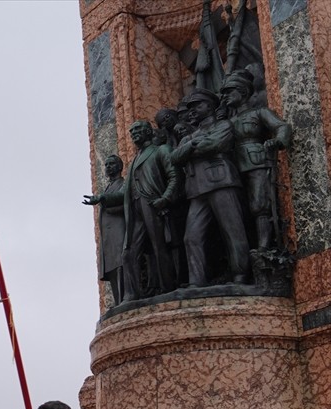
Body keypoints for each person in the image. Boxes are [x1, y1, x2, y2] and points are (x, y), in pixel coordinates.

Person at [171, 88, 252, 286]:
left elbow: (216, 144)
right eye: (190, 108)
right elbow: (175, 157)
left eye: (198, 105)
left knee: (233, 231)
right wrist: (191, 146)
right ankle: (196, 282)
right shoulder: (190, 137)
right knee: (192, 237)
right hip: (197, 190)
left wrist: (191, 147)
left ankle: (241, 275)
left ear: (210, 106)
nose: (192, 111)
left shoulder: (223, 125)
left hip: (221, 182)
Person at [221, 68, 292, 251]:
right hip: (233, 168)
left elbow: (282, 127)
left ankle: (264, 247)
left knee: (259, 205)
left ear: (243, 92)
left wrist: (278, 141)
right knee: (241, 209)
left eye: (229, 92)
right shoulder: (226, 121)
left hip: (256, 161)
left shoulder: (259, 112)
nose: (226, 97)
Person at [123, 119, 180, 297]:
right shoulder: (133, 161)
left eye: (138, 129)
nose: (134, 133)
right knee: (130, 253)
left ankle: (167, 287)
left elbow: (174, 176)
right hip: (136, 208)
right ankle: (134, 294)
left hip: (153, 204)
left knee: (159, 247)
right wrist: (103, 198)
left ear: (149, 131)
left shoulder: (161, 150)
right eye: (132, 131)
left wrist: (165, 198)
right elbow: (125, 190)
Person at [82, 154, 127, 304]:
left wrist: (102, 198)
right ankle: (118, 300)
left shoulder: (123, 183)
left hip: (119, 229)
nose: (108, 167)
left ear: (120, 167)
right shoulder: (108, 187)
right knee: (113, 267)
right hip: (109, 234)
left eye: (111, 164)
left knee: (121, 264)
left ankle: (124, 297)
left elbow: (122, 198)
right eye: (106, 165)